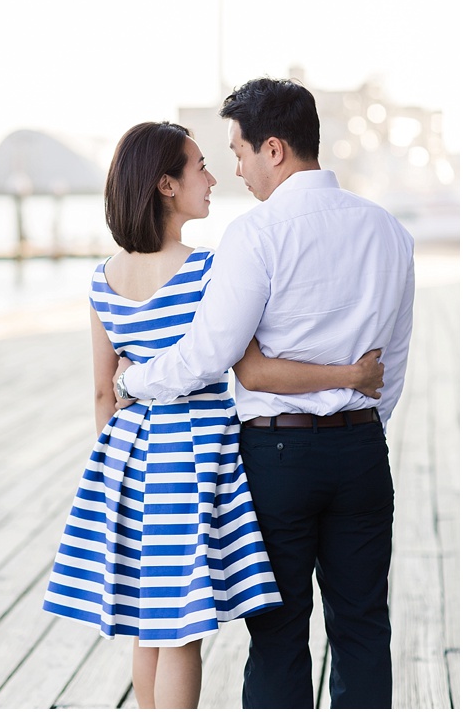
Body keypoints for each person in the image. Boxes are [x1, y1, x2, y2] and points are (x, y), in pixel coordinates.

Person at [42, 121, 386, 709]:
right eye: (199, 165)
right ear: (166, 186)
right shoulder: (206, 270)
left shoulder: (102, 279)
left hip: (127, 458)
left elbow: (104, 392)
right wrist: (351, 375)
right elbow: (250, 367)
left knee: (148, 620)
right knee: (180, 628)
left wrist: (112, 476)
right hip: (192, 458)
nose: (211, 176)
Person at [114, 80, 414, 709]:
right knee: (363, 628)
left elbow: (209, 355)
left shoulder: (256, 234)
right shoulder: (389, 231)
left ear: (273, 148)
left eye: (240, 151)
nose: (236, 169)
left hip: (277, 457)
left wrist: (132, 380)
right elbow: (391, 364)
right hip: (362, 451)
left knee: (278, 636)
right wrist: (356, 419)